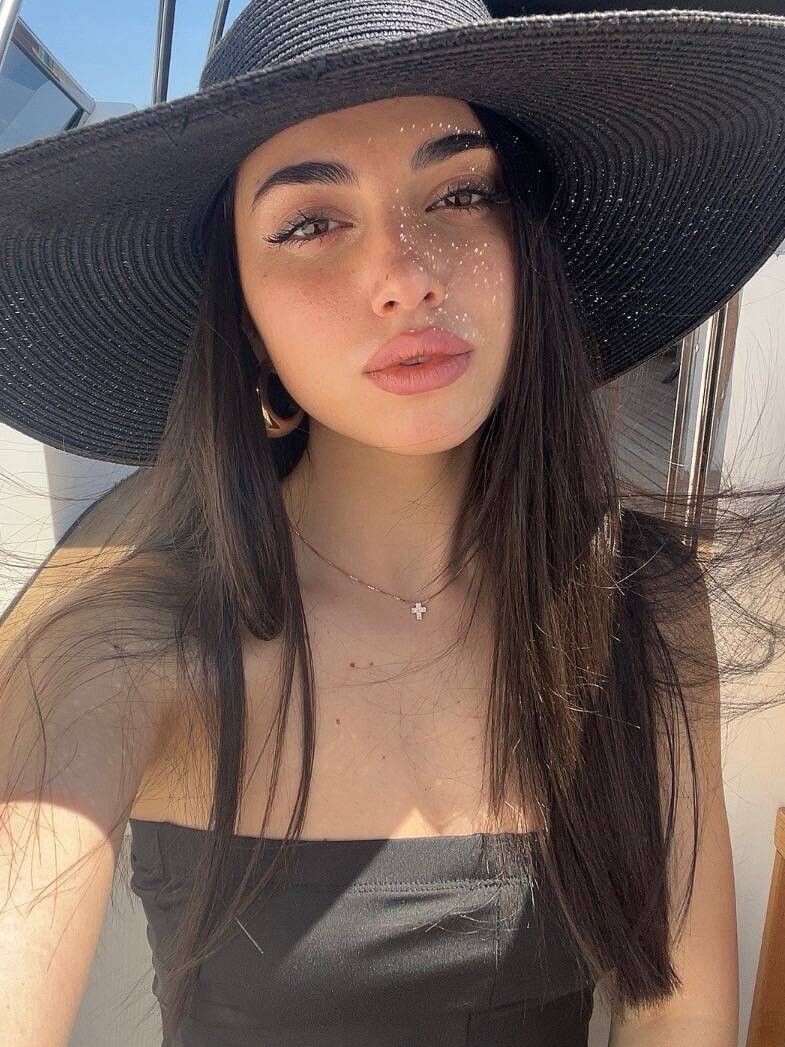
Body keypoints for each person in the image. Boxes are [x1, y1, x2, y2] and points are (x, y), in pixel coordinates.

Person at [1, 0, 785, 1044]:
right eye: (310, 224)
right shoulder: (127, 650)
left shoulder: (637, 602)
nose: (406, 276)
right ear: (243, 316)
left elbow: (679, 1014)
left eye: (460, 194)